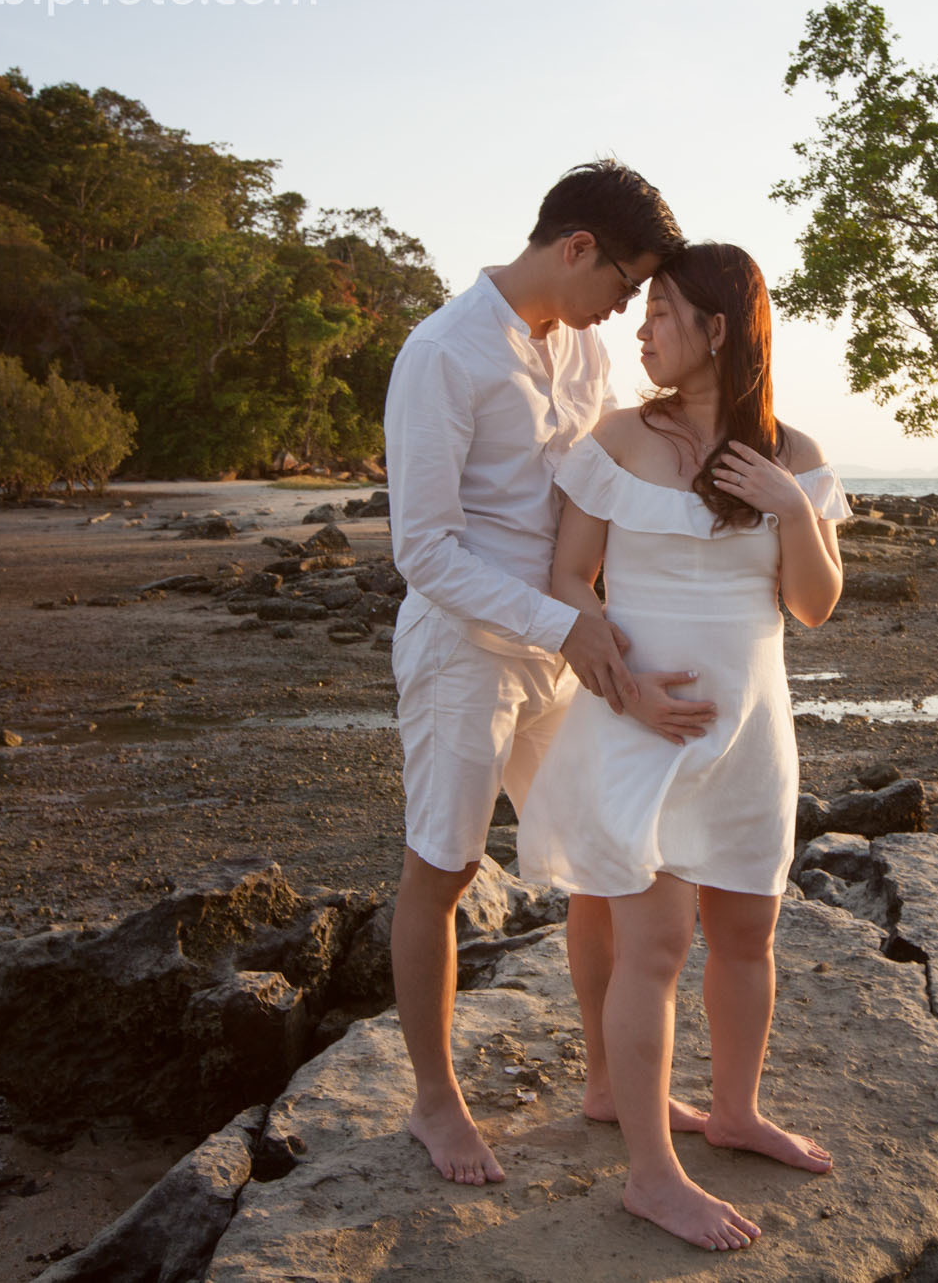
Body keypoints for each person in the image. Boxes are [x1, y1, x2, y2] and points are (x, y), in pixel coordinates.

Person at [383, 160, 715, 1187]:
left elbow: (594, 490)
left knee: (603, 860)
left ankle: (611, 1082)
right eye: (625, 283)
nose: (626, 308)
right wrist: (564, 626)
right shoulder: (442, 353)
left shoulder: (580, 347)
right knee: (442, 869)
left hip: (565, 644)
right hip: (464, 652)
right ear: (577, 247)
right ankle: (434, 1103)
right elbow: (423, 549)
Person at [518, 242, 849, 1249]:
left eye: (661, 310)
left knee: (747, 933)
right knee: (654, 946)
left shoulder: (791, 453)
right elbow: (568, 582)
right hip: (637, 725)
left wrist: (792, 508)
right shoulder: (618, 438)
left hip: (750, 733)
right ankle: (651, 1175)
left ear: (717, 329)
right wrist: (626, 690)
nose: (642, 327)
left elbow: (814, 605)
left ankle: (736, 1111)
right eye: (644, 307)